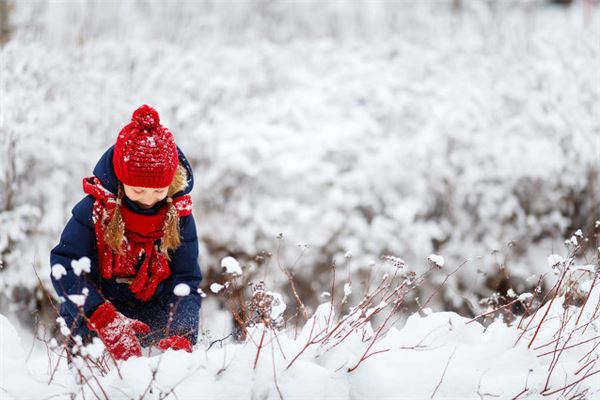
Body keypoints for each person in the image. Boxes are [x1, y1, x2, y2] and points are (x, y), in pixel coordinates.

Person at [50, 104, 202, 361]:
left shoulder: (179, 215)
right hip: (98, 312)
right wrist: (103, 318)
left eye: (157, 191)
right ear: (121, 181)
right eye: (138, 190)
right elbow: (65, 266)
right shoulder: (95, 210)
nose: (148, 199)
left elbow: (186, 280)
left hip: (157, 318)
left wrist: (182, 333)